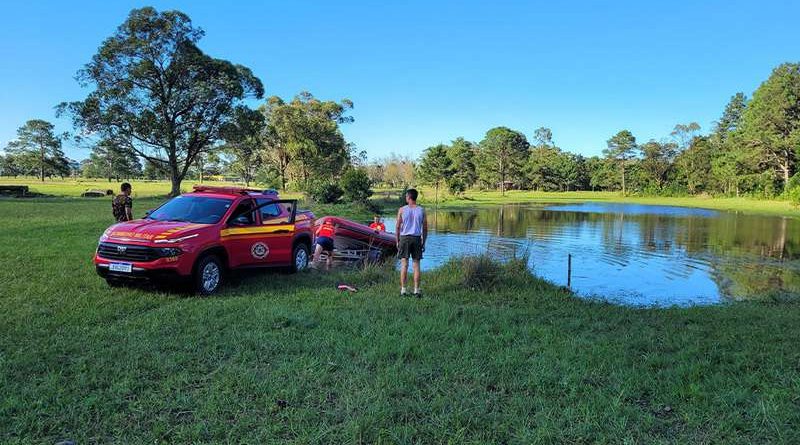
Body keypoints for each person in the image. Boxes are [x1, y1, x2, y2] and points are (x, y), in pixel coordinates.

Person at [396, 188, 427, 297]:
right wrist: (424, 242)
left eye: (406, 196)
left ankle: (403, 290)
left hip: (404, 238)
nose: (405, 198)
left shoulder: (402, 210)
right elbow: (425, 228)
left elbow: (398, 227)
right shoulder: (422, 210)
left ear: (409, 197)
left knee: (404, 265)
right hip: (417, 238)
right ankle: (416, 291)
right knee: (416, 265)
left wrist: (397, 241)